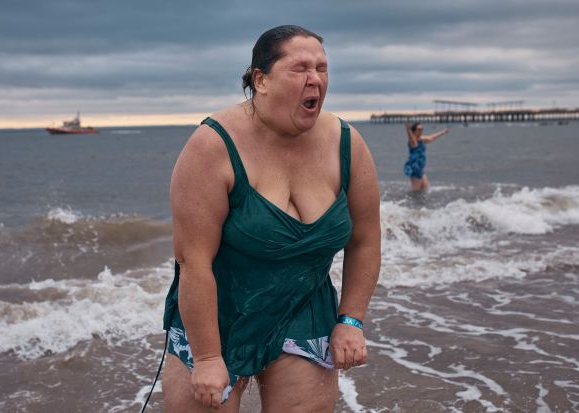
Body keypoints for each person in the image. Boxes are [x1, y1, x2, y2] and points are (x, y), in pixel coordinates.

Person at [161, 25, 381, 412]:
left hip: (304, 305)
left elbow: (365, 239)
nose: (315, 79)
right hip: (219, 314)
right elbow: (193, 261)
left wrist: (351, 319)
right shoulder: (213, 146)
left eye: (322, 68)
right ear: (260, 80)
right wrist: (209, 358)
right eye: (300, 68)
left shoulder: (347, 143)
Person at [403, 122, 449, 191]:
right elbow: (411, 138)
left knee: (425, 189)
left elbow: (432, 137)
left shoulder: (421, 139)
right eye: (419, 129)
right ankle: (408, 201)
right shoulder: (413, 141)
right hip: (415, 168)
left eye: (422, 129)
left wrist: (443, 132)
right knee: (416, 192)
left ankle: (422, 202)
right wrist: (408, 130)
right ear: (414, 130)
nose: (421, 130)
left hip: (421, 169)